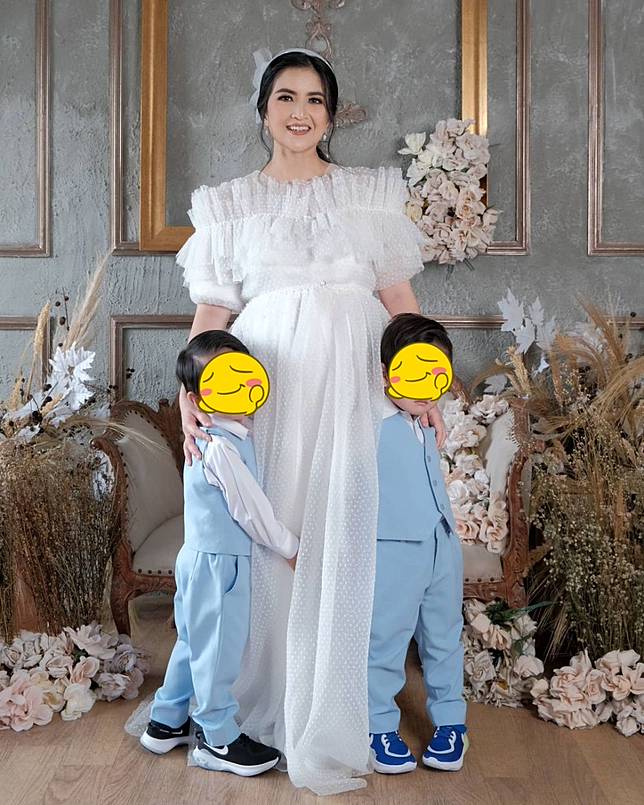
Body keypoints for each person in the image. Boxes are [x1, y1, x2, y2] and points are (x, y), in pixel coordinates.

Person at [175, 48, 446, 795]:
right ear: (264, 110)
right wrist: (190, 388)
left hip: (359, 384)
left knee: (351, 526)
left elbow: (401, 302)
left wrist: (424, 379)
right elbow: (213, 312)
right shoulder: (231, 205)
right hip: (271, 386)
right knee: (278, 529)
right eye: (287, 98)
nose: (301, 112)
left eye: (316, 100)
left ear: (330, 115)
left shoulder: (366, 196)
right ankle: (265, 699)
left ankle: (348, 699)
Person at [140, 330, 299, 777]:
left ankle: (166, 720)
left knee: (194, 641)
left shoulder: (222, 436)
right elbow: (250, 508)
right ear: (196, 398)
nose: (241, 388)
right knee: (218, 653)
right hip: (221, 565)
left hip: (197, 559)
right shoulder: (221, 447)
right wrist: (288, 546)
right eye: (225, 381)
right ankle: (217, 737)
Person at [368, 314, 467, 775]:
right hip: (395, 549)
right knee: (385, 640)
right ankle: (377, 726)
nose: (427, 388)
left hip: (441, 543)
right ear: (386, 374)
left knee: (445, 638)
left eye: (436, 375)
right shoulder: (369, 422)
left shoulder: (424, 418)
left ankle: (452, 723)